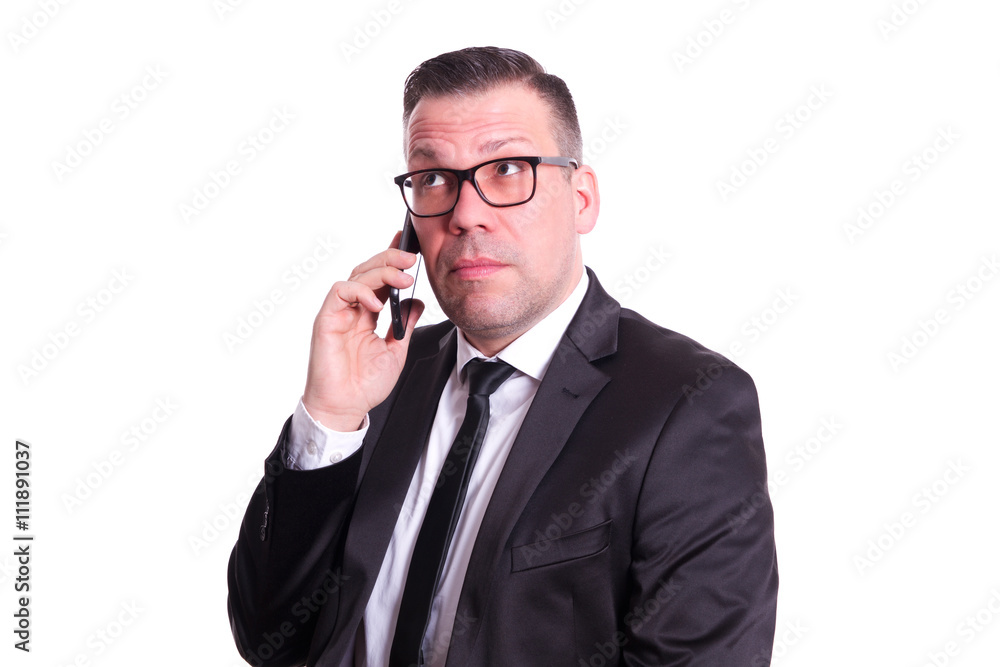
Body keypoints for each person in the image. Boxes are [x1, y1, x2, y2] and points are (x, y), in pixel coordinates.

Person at [228, 46, 778, 667]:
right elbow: (269, 637)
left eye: (508, 169)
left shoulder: (689, 404)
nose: (466, 215)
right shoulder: (377, 377)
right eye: (434, 179)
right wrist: (329, 419)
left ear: (581, 198)